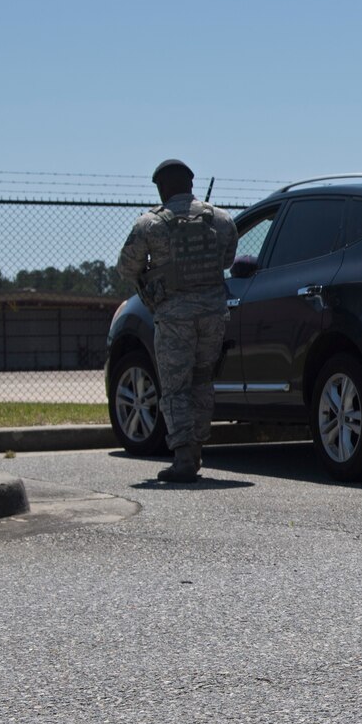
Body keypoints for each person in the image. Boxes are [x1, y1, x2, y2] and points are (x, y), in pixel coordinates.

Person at [116, 159, 238, 482]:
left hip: (174, 318)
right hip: (213, 314)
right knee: (201, 380)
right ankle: (195, 450)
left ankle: (185, 458)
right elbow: (227, 259)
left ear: (162, 188)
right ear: (191, 184)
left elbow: (126, 267)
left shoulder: (150, 225)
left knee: (175, 387)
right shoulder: (221, 219)